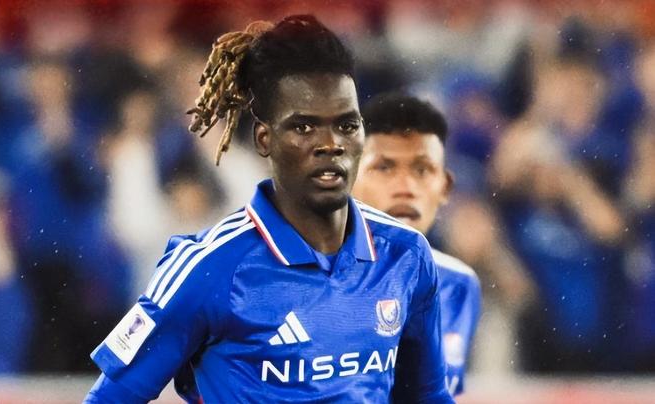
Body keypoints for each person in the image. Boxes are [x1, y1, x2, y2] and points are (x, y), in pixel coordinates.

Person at [85, 15, 453, 403]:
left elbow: (428, 397)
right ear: (265, 139)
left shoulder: (406, 255)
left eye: (346, 125)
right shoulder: (209, 268)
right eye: (304, 127)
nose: (331, 145)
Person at [353, 93, 482, 396]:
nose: (406, 188)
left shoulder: (459, 284)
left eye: (422, 170)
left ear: (445, 187)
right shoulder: (309, 279)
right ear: (349, 179)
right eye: (384, 168)